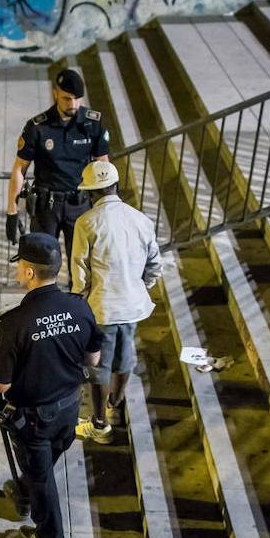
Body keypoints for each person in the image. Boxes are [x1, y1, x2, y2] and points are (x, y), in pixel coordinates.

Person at [0, 233, 103, 538]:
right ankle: (25, 488)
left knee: (41, 479)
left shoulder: (15, 323)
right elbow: (93, 359)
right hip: (69, 406)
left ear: (30, 272)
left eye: (19, 266)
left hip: (35, 418)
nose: (17, 272)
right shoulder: (79, 307)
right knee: (45, 464)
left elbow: (1, 385)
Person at [70, 161, 163, 444]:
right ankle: (116, 401)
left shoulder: (86, 222)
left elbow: (80, 269)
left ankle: (100, 423)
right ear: (115, 186)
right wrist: (137, 288)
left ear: (90, 193)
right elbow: (155, 266)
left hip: (102, 307)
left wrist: (79, 300)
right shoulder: (140, 219)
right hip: (132, 306)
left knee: (99, 365)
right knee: (125, 358)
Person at [6, 68, 111, 261]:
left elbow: (103, 166)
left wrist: (109, 206)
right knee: (43, 262)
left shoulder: (92, 123)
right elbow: (20, 168)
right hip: (47, 207)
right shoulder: (38, 127)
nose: (73, 104)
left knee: (80, 264)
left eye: (77, 99)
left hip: (79, 204)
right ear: (55, 93)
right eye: (67, 98)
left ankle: (76, 293)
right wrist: (12, 211)